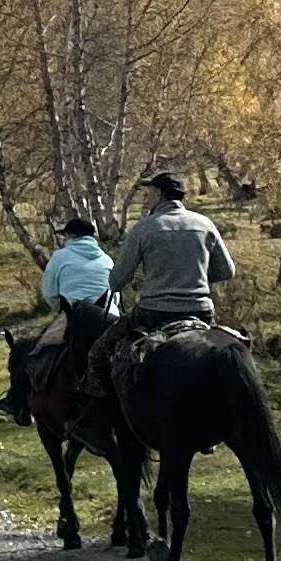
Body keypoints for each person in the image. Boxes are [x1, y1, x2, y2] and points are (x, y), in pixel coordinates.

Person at [88, 171, 235, 413]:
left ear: (158, 193)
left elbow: (118, 279)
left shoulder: (144, 228)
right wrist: (195, 277)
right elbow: (227, 271)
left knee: (99, 353)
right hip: (201, 313)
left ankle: (103, 412)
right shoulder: (205, 224)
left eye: (148, 193)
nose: (145, 198)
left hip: (154, 314)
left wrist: (125, 283)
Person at [5, 213, 111, 414]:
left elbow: (49, 292)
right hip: (108, 315)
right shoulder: (106, 258)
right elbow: (116, 292)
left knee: (34, 351)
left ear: (71, 235)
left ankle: (18, 402)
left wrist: (60, 310)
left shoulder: (60, 256)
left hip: (75, 315)